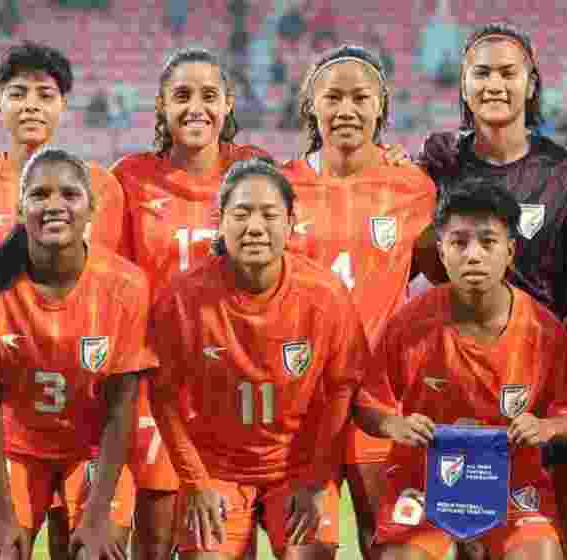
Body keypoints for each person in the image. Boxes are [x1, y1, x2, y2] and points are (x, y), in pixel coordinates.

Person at [389, 25, 567, 553]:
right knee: (458, 538)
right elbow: (412, 259)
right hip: (455, 387)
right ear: (463, 86)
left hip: (536, 388)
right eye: (481, 72)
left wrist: (563, 405)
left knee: (536, 540)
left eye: (508, 72)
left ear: (531, 83)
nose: (494, 84)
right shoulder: (439, 166)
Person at [0, 41, 127, 558]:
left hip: (82, 410)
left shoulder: (101, 190)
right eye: (17, 93)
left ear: (64, 105)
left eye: (45, 93)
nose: (31, 104)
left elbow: (122, 292)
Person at [149, 158, 367, 559]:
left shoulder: (325, 294)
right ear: (220, 221)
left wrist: (317, 479)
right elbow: (162, 396)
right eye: (241, 213)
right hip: (217, 470)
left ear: (290, 223)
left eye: (269, 214)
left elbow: (343, 389)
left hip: (298, 469)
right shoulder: (181, 299)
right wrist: (195, 481)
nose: (254, 227)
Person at [355, 180, 567, 560]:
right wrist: (395, 425)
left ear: (510, 251)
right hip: (425, 480)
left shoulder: (544, 330)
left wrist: (545, 427)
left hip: (513, 484)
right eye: (459, 242)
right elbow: (367, 404)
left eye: (488, 242)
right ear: (441, 251)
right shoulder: (409, 323)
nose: (473, 255)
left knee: (540, 554)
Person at [0, 147, 155, 560]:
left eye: (69, 195)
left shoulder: (127, 285)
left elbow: (122, 407)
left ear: (91, 208)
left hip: (92, 448)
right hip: (13, 448)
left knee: (96, 551)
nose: (54, 205)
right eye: (39, 195)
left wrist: (97, 515)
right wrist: (3, 514)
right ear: (20, 208)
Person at [110, 46, 271, 560]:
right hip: (159, 384)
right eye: (182, 96)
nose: (195, 107)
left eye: (208, 96)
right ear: (161, 105)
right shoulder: (129, 177)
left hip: (234, 384)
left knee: (225, 541)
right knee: (155, 539)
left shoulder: (257, 169)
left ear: (227, 105)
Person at [279, 44, 437, 559]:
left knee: (388, 544)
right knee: (310, 551)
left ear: (380, 107)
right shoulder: (282, 185)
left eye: (360, 97)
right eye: (333, 97)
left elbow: (433, 278)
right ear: (311, 106)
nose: (346, 109)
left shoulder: (413, 186)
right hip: (302, 397)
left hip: (382, 394)